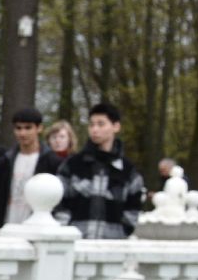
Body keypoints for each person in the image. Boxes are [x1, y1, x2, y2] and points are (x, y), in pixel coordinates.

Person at [54, 102, 145, 239]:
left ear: (116, 126)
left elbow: (133, 210)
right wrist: (66, 232)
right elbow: (59, 202)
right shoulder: (73, 165)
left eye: (101, 124)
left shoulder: (128, 171)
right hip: (75, 244)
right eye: (91, 124)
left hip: (112, 248)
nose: (95, 129)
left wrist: (120, 233)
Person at [0, 107, 55, 233]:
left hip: (38, 231)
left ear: (39, 128)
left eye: (28, 128)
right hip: (5, 228)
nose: (22, 133)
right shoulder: (6, 161)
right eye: (18, 128)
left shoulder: (51, 161)